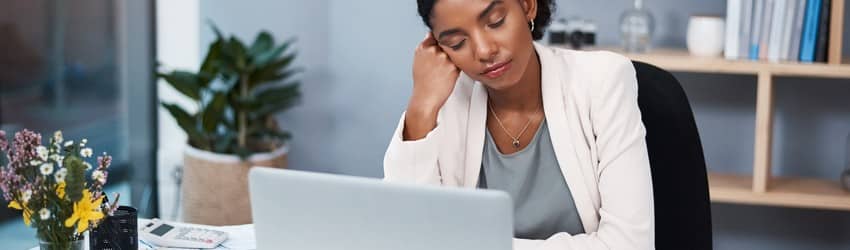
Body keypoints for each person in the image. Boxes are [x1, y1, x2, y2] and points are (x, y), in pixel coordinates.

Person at [383, 0, 654, 249]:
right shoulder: (443, 101)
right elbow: (408, 235)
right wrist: (420, 108)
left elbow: (629, 244)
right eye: (456, 43)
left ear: (527, 6)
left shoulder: (602, 81)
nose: (484, 50)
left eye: (496, 22)